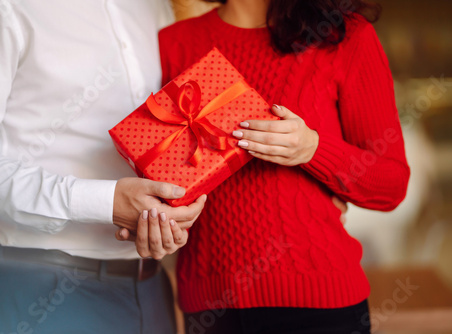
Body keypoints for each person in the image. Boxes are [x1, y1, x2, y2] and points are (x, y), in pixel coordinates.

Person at [151, 0, 410, 333]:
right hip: (210, 306)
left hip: (319, 304)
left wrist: (313, 150)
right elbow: (160, 178)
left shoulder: (344, 35)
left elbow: (391, 184)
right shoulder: (173, 42)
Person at [0, 1, 206, 333]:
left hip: (150, 288)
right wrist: (104, 202)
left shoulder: (153, 6)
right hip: (43, 291)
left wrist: (169, 212)